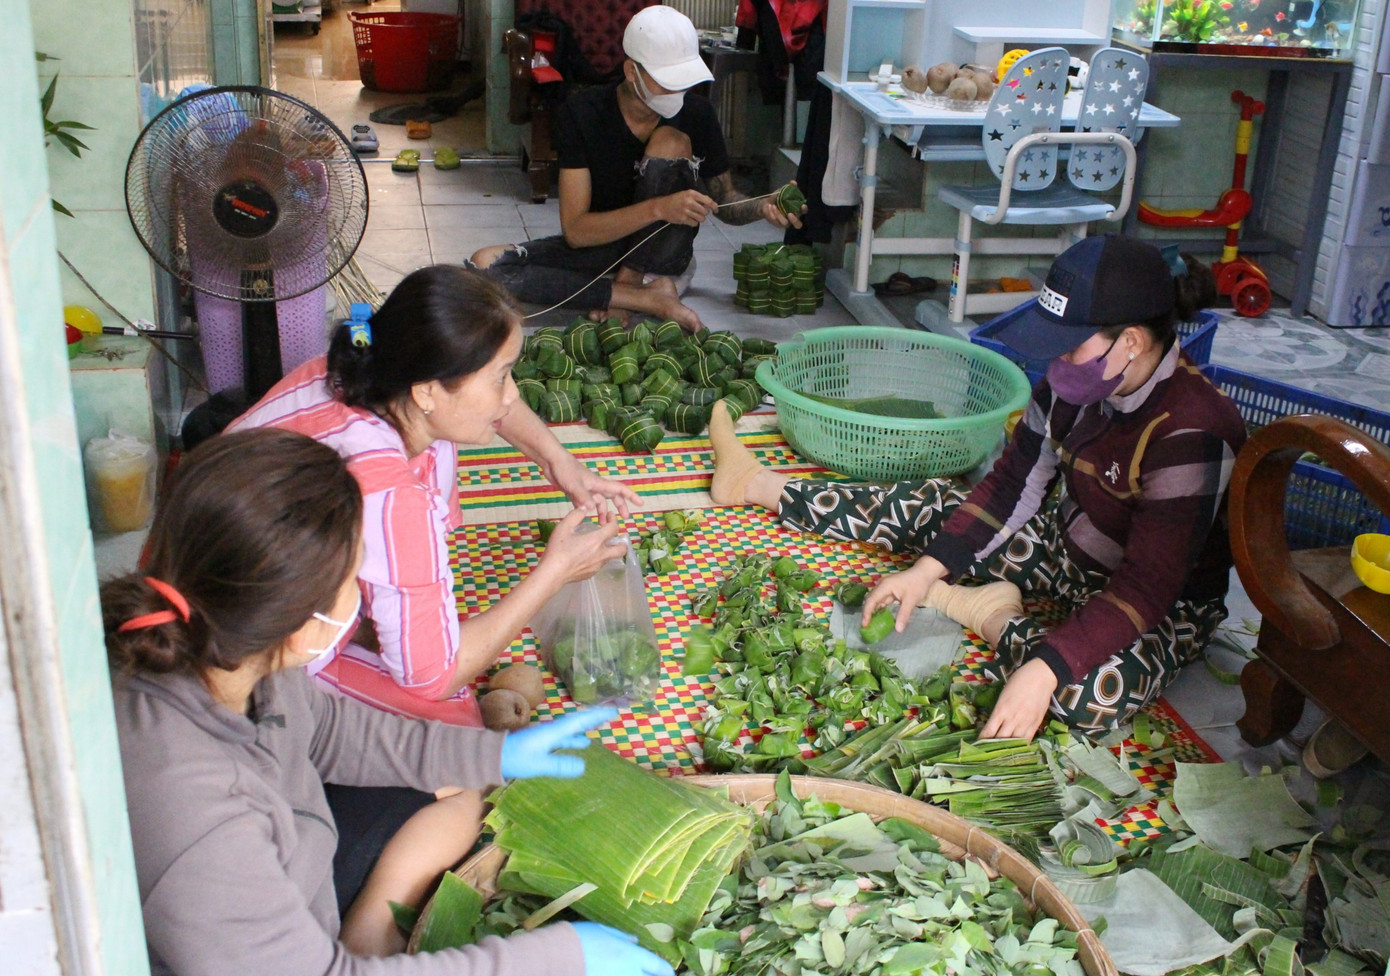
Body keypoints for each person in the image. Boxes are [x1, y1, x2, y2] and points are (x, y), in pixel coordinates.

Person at [105, 428, 672, 974]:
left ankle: (363, 932)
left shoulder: (235, 651)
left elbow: (328, 732)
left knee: (463, 793)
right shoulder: (198, 820)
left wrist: (492, 755)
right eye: (355, 578)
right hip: (265, 941)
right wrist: (558, 958)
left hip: (296, 852)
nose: (362, 596)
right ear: (301, 623)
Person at [709, 235, 1246, 741]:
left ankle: (992, 615)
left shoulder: (1193, 431)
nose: (1055, 361)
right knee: (936, 510)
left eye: (1068, 347)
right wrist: (927, 571)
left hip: (1160, 603)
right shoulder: (1078, 382)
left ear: (1129, 342)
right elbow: (1014, 485)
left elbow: (1146, 589)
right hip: (1068, 551)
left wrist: (1046, 669)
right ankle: (758, 484)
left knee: (1081, 695)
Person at [231, 266, 638, 727]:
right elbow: (432, 678)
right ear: (427, 391)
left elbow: (482, 401)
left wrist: (557, 461)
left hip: (229, 561)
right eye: (501, 377)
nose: (512, 394)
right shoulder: (390, 493)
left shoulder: (365, 366)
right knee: (453, 725)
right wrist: (555, 572)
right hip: (246, 652)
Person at [470, 5, 805, 333]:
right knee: (486, 265)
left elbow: (726, 200)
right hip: (603, 249)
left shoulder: (697, 115)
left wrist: (762, 205)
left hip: (662, 260)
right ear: (632, 72)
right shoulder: (583, 113)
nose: (677, 92)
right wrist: (660, 207)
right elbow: (576, 231)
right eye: (666, 81)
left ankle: (632, 285)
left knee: (670, 141)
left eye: (683, 80)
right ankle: (645, 298)